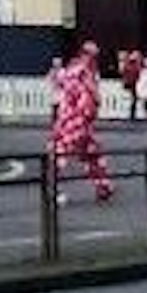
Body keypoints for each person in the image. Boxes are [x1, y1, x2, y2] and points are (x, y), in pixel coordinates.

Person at [51, 42, 113, 203]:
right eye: (92, 55)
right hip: (74, 121)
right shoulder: (81, 73)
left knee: (90, 153)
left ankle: (103, 186)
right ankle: (52, 188)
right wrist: (87, 111)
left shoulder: (79, 71)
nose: (94, 59)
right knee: (63, 154)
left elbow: (59, 83)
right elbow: (84, 97)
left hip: (74, 120)